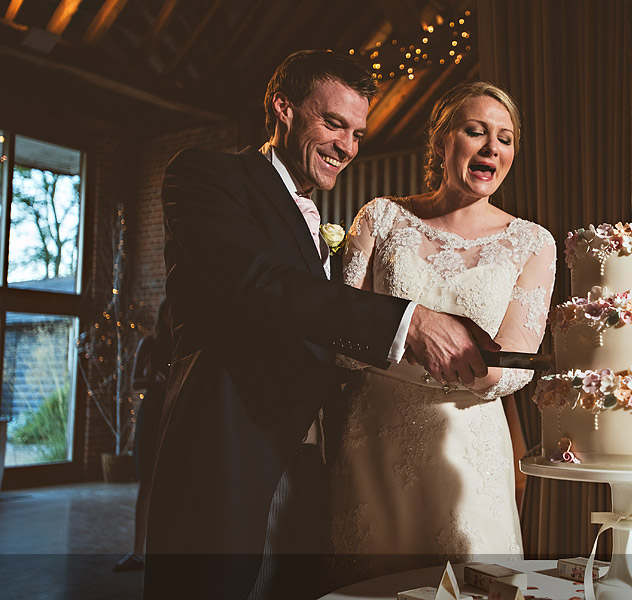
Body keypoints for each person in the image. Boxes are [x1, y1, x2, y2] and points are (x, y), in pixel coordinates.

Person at [144, 51, 500, 600]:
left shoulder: (316, 213)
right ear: (283, 108)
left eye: (357, 133)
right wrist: (411, 320)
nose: (347, 148)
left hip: (316, 466)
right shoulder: (205, 175)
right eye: (333, 124)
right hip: (228, 446)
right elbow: (259, 283)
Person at [328, 81, 556, 580]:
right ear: (441, 141)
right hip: (373, 443)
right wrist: (418, 341)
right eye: (476, 132)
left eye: (506, 137)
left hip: (468, 450)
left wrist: (465, 369)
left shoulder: (532, 243)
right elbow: (339, 337)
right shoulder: (382, 218)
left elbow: (516, 365)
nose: (492, 147)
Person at [113, 298, 171, 572]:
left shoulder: (184, 343)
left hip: (173, 413)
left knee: (172, 482)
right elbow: (134, 381)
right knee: (147, 482)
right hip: (152, 414)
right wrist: (153, 380)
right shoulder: (148, 344)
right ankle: (138, 551)